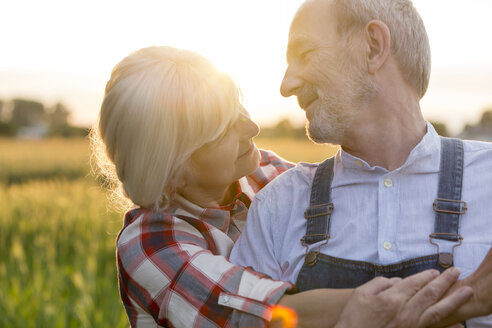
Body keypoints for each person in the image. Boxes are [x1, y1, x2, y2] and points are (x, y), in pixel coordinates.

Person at [92, 46, 474, 328]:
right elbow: (265, 315)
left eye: (238, 107)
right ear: (172, 170)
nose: (251, 128)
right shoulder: (148, 244)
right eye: (224, 128)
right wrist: (469, 296)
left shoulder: (266, 174)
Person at [229, 0, 492, 327]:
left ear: (372, 47)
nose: (286, 86)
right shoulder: (277, 207)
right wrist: (468, 297)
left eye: (305, 54)